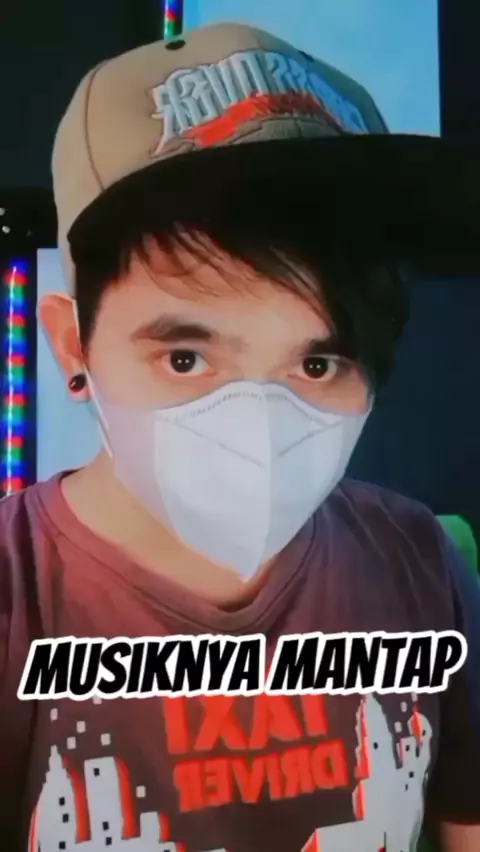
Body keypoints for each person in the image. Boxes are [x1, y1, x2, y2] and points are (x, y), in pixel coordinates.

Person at [1, 21, 480, 852]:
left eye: (319, 363)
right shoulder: (17, 598)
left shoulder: (417, 559)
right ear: (73, 345)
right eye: (186, 358)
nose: (257, 427)